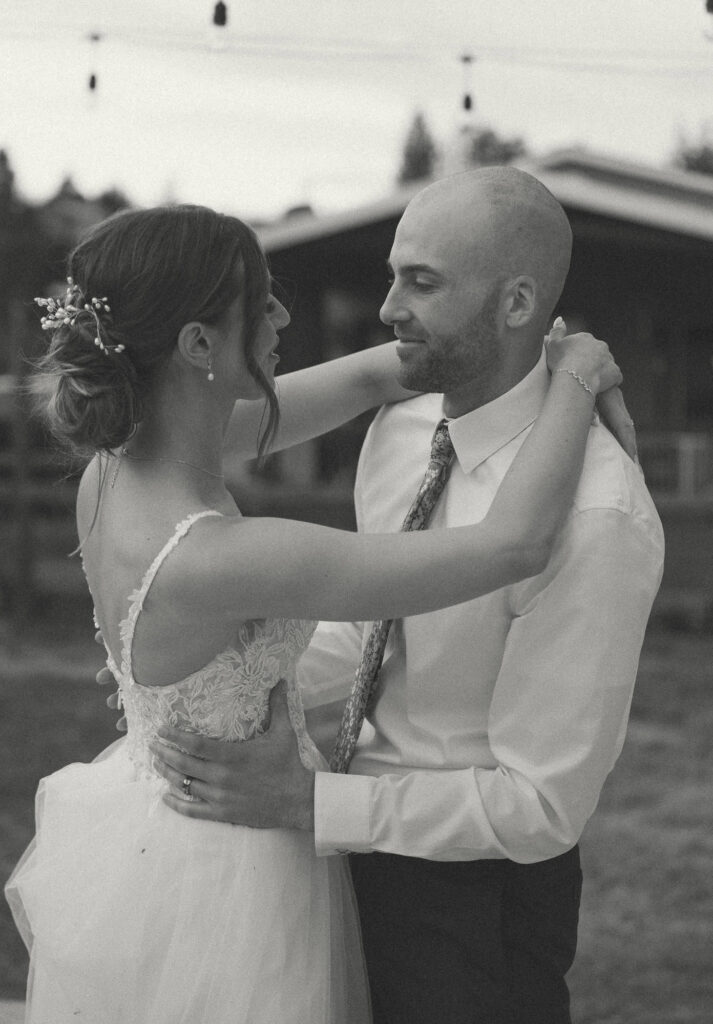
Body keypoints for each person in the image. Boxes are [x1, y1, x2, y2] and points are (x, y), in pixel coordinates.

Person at [7, 201, 624, 1024]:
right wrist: (578, 376)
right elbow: (510, 546)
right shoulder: (225, 555)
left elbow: (377, 375)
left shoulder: (120, 466)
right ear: (196, 345)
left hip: (151, 826)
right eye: (260, 302)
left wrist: (509, 347)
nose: (283, 315)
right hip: (232, 872)